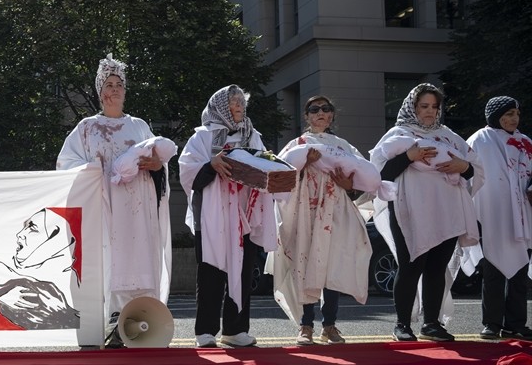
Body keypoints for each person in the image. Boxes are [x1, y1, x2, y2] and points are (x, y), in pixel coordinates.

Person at [56, 54, 174, 347]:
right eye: (109, 84)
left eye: (119, 84)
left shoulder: (139, 126)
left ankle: (141, 319)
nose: (115, 89)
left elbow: (159, 162)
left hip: (138, 210)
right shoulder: (86, 128)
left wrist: (157, 166)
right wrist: (92, 171)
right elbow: (65, 164)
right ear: (100, 92)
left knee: (139, 256)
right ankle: (111, 320)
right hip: (105, 209)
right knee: (109, 259)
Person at [369, 83, 481, 342]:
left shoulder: (449, 136)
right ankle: (402, 324)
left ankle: (431, 323)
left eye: (434, 106)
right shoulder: (398, 134)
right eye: (424, 106)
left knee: (437, 267)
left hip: (447, 210)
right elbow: (379, 174)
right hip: (410, 209)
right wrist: (408, 156)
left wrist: (463, 166)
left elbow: (475, 170)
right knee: (410, 265)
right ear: (413, 107)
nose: (430, 111)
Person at [178, 85, 278, 348]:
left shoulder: (252, 135)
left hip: (244, 215)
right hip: (212, 216)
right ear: (221, 106)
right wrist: (211, 165)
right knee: (210, 271)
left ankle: (236, 329)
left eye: (242, 102)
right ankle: (205, 331)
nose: (239, 106)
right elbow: (187, 173)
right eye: (234, 102)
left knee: (244, 272)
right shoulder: (203, 137)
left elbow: (264, 163)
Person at [273, 95, 375, 346]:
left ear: (331, 116)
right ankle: (305, 325)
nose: (320, 112)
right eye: (314, 109)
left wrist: (348, 184)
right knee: (305, 261)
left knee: (332, 264)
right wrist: (303, 165)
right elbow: (278, 179)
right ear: (306, 116)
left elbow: (362, 180)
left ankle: (329, 325)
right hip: (304, 211)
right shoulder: (297, 144)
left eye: (325, 109)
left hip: (335, 210)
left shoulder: (343, 146)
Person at [465, 96, 532, 340]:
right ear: (496, 116)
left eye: (517, 113)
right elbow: (468, 172)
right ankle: (491, 323)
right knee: (493, 269)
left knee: (520, 272)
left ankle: (515, 323)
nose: (515, 118)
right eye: (509, 114)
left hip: (523, 215)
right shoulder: (479, 140)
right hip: (493, 213)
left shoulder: (526, 142)